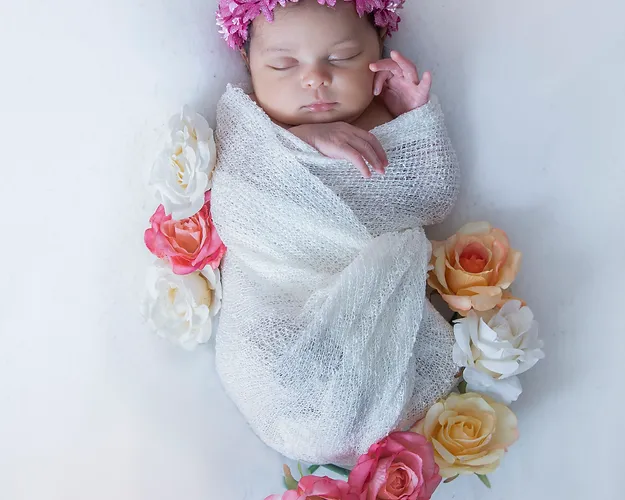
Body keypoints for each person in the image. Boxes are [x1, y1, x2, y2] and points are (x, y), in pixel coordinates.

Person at [211, 0, 461, 466]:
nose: (315, 78)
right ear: (247, 62)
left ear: (379, 47)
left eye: (343, 57)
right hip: (279, 306)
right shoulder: (255, 128)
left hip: (372, 322)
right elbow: (237, 200)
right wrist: (302, 141)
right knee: (276, 367)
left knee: (406, 362)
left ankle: (368, 414)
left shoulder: (387, 122)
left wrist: (414, 119)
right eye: (283, 64)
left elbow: (433, 196)